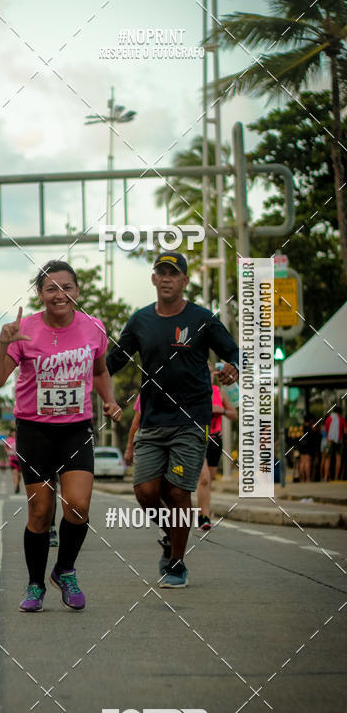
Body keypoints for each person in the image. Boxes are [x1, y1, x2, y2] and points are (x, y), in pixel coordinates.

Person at [0, 259, 121, 613]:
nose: (60, 295)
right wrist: (2, 344)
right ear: (40, 294)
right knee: (40, 513)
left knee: (77, 505)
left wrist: (109, 400)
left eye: (67, 288)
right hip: (34, 430)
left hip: (76, 429)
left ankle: (65, 570)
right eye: (51, 289)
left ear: (77, 291)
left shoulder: (93, 327)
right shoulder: (24, 330)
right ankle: (34, 584)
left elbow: (101, 369)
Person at [106, 251, 239, 588]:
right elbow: (113, 361)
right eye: (161, 272)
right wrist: (85, 374)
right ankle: (172, 532)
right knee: (146, 492)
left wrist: (232, 367)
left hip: (191, 419)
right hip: (151, 419)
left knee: (179, 491)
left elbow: (232, 351)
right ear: (153, 279)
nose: (166, 278)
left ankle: (177, 564)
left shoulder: (202, 318)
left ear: (184, 281)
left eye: (173, 273)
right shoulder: (139, 321)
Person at [196, 365, 237, 531]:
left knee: (208, 481)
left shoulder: (218, 392)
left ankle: (203, 512)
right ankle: (203, 518)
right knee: (204, 479)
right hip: (199, 438)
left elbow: (234, 414)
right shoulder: (194, 390)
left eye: (210, 371)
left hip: (215, 440)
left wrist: (222, 411)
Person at [323, 407, 346, 481]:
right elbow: (345, 431)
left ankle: (326, 477)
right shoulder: (342, 419)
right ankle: (336, 477)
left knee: (327, 458)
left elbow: (325, 429)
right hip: (339, 440)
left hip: (330, 440)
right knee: (338, 458)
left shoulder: (329, 419)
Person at [297, 413, 320, 484]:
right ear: (310, 420)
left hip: (301, 446)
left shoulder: (301, 428)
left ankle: (302, 479)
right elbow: (314, 437)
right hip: (308, 447)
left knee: (302, 462)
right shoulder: (311, 428)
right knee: (307, 462)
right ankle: (307, 478)